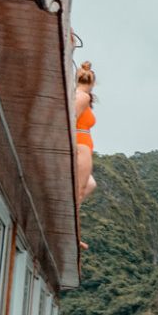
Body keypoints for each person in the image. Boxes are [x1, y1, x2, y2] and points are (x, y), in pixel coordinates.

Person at [74, 61, 97, 245]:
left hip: (83, 146)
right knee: (80, 190)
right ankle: (75, 234)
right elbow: (71, 119)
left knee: (89, 184)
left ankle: (75, 231)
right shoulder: (83, 97)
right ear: (93, 83)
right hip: (81, 147)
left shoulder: (78, 95)